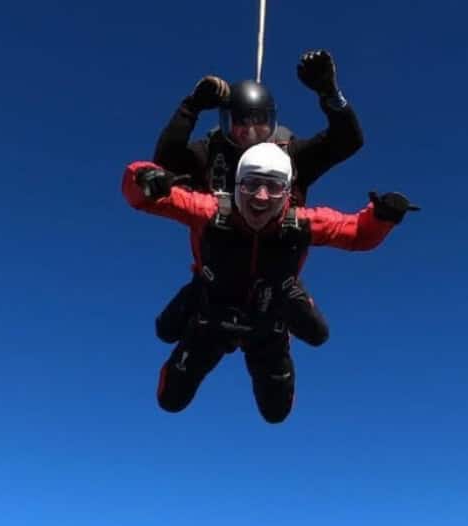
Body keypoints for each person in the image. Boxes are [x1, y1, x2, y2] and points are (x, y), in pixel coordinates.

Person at [121, 142, 419, 423]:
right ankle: (192, 312)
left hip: (268, 319)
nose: (261, 196)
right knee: (170, 399)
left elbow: (356, 233)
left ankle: (276, 328)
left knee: (277, 410)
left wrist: (381, 218)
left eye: (274, 186)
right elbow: (146, 196)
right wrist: (146, 177)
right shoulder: (210, 211)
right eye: (251, 183)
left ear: (288, 191)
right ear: (237, 185)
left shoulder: (302, 222)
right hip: (211, 315)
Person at [152, 50, 364, 345]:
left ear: (272, 122)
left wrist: (329, 93)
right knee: (166, 331)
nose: (250, 132)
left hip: (277, 275)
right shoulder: (212, 153)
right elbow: (166, 160)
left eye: (259, 122)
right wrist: (192, 106)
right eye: (240, 123)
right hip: (215, 271)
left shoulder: (290, 155)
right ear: (226, 123)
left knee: (317, 335)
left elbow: (347, 142)